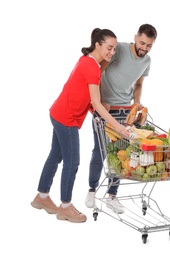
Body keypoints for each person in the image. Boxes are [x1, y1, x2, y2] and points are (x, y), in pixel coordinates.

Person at [31, 28, 129, 223]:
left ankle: (41, 197)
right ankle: (65, 207)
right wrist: (118, 126)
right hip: (67, 118)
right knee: (72, 161)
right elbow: (96, 102)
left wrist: (97, 106)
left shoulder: (87, 60)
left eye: (114, 49)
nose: (112, 52)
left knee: (56, 155)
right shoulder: (92, 67)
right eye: (109, 48)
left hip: (59, 112)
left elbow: (84, 94)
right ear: (98, 45)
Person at [85, 24, 157, 214]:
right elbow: (99, 71)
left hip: (125, 112)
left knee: (120, 154)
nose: (144, 48)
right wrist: (99, 100)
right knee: (100, 151)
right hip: (105, 109)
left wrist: (138, 101)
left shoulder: (146, 61)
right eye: (142, 43)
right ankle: (92, 190)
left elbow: (139, 84)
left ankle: (112, 196)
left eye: (149, 45)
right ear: (136, 37)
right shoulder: (121, 49)